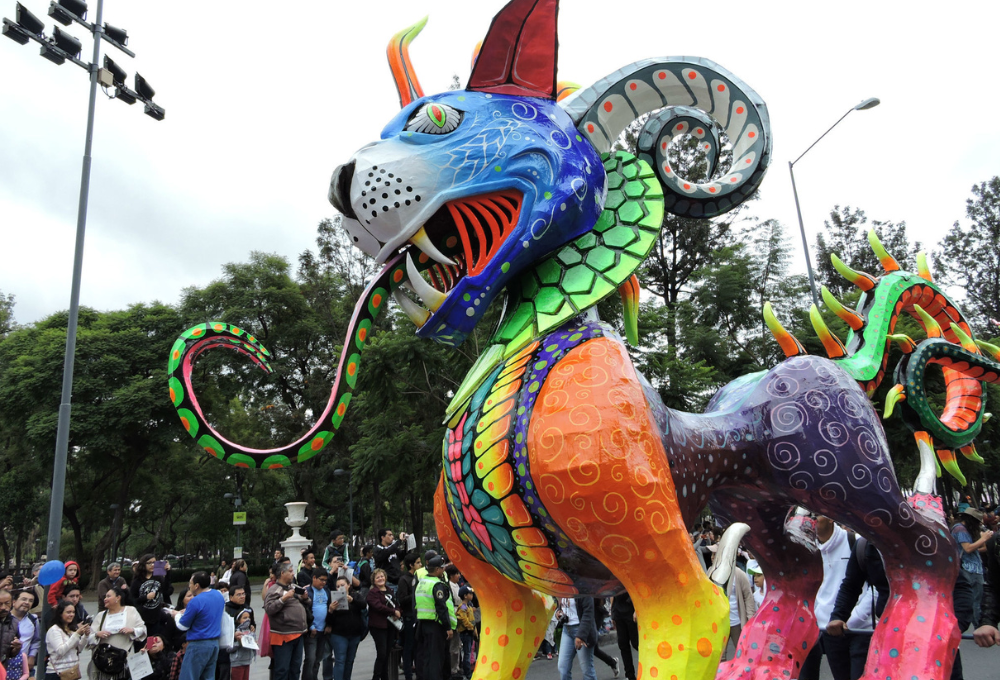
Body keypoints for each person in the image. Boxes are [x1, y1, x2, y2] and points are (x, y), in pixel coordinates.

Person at [798, 517, 853, 680]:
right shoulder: (806, 547)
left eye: (815, 515)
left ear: (829, 517)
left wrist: (853, 618)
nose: (810, 520)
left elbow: (866, 586)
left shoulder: (853, 542)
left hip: (845, 627)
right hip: (813, 626)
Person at [826, 536, 889, 680]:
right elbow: (851, 585)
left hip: (922, 630)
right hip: (885, 630)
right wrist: (838, 616)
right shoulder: (865, 546)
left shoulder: (920, 541)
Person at [88, 585, 146, 680]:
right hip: (104, 661)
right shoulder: (101, 615)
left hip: (125, 660)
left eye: (108, 596)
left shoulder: (131, 611)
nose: (105, 599)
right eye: (105, 597)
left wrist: (132, 630)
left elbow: (143, 630)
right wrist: (97, 634)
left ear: (118, 598)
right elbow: (89, 638)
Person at [175, 572, 226, 680]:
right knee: (208, 676)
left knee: (189, 676)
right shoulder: (218, 595)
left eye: (190, 583)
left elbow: (182, 626)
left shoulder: (195, 601)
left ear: (196, 585)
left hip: (198, 644)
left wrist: (176, 615)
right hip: (214, 643)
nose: (189, 586)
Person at [707, 551, 756, 662]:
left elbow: (748, 596)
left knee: (742, 653)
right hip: (720, 623)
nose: (713, 557)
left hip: (736, 622)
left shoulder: (739, 574)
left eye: (715, 554)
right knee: (719, 657)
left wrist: (750, 618)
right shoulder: (710, 572)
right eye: (712, 554)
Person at [264, 562, 309, 680]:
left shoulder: (292, 587)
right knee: (282, 670)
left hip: (298, 634)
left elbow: (307, 602)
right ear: (282, 573)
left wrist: (305, 598)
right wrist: (283, 599)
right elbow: (269, 609)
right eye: (290, 571)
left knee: (295, 669)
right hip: (283, 636)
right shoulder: (274, 590)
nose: (293, 574)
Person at [951, 504, 993, 628]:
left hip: (975, 567)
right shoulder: (960, 529)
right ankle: (979, 626)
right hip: (968, 568)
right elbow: (968, 548)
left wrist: (982, 540)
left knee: (977, 598)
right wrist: (983, 538)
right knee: (975, 600)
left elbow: (980, 548)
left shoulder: (968, 530)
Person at [415, 557, 455, 680]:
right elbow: (441, 607)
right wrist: (448, 627)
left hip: (422, 624)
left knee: (427, 657)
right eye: (442, 568)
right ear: (437, 569)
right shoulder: (436, 585)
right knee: (436, 659)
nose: (443, 571)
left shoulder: (422, 582)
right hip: (435, 625)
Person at [328, 576, 365, 680]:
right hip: (339, 634)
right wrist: (331, 610)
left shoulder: (355, 596)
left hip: (355, 633)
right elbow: (329, 620)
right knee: (340, 660)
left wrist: (352, 600)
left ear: (348, 585)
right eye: (338, 586)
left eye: (342, 585)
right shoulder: (333, 598)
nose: (340, 587)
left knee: (350, 660)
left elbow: (363, 605)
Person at [366, 568, 401, 680]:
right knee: (381, 653)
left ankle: (385, 677)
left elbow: (395, 604)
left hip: (390, 625)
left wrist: (398, 611)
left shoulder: (389, 590)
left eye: (382, 576)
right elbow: (378, 606)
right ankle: (376, 677)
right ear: (374, 580)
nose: (380, 579)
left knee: (387, 653)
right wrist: (393, 612)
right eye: (378, 577)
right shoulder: (372, 593)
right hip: (378, 626)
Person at [44, 599, 90, 680]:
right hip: (57, 673)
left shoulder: (71, 629)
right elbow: (61, 651)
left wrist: (85, 636)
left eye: (73, 612)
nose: (71, 615)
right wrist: (76, 634)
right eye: (68, 612)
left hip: (72, 672)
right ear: (60, 614)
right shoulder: (54, 630)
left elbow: (78, 649)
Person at [302, 567, 334, 680]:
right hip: (312, 631)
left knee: (318, 659)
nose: (323, 583)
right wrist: (311, 626)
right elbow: (305, 610)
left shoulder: (326, 591)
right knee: (310, 658)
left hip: (323, 631)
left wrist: (329, 624)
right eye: (321, 580)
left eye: (325, 580)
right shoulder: (308, 591)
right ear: (314, 578)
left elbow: (330, 608)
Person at [557, 595, 597, 680]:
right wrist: (559, 611)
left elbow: (588, 612)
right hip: (566, 629)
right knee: (563, 668)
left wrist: (581, 635)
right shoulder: (563, 588)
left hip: (581, 629)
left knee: (587, 671)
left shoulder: (583, 588)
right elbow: (563, 604)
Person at [396, 553, 422, 680]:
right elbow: (402, 599)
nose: (420, 565)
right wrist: (416, 593)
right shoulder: (404, 579)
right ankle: (408, 674)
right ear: (411, 565)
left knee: (418, 646)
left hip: (418, 615)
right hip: (408, 616)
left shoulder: (420, 577)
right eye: (418, 562)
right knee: (409, 646)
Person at [225, 584, 256, 680]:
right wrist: (234, 635)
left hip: (246, 654)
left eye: (243, 594)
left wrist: (252, 629)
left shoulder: (248, 609)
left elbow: (252, 624)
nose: (242, 596)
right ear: (231, 597)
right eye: (238, 594)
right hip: (230, 653)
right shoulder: (226, 609)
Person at [9, 590, 38, 674]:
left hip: (24, 664)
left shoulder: (33, 620)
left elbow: (36, 640)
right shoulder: (5, 619)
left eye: (30, 601)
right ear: (14, 602)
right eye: (24, 599)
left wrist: (32, 656)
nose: (27, 602)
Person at [611, 592, 638, 680]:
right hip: (618, 610)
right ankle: (630, 675)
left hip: (630, 607)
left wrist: (637, 609)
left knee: (636, 643)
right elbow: (612, 591)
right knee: (623, 644)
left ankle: (651, 668)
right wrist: (612, 612)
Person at [444, 565, 464, 679]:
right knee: (454, 646)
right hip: (454, 615)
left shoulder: (456, 585)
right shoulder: (449, 586)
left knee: (458, 645)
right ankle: (453, 669)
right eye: (457, 574)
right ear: (451, 575)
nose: (459, 576)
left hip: (459, 614)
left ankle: (456, 667)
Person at [456, 587, 477, 680]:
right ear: (465, 596)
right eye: (470, 594)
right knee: (467, 653)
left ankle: (468, 671)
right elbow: (465, 621)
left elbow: (472, 620)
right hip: (466, 632)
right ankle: (467, 673)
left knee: (468, 652)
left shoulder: (468, 606)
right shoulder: (463, 607)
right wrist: (472, 628)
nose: (472, 595)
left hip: (470, 632)